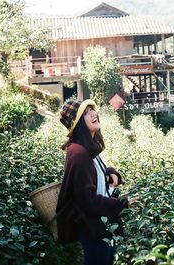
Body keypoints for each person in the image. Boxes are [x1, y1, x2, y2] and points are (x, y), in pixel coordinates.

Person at [56, 99, 138, 265]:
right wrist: (121, 203)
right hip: (92, 227)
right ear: (76, 123)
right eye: (86, 113)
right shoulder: (78, 152)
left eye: (92, 110)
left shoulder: (87, 148)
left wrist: (111, 172)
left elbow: (96, 171)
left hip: (100, 223)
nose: (94, 114)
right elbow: (87, 201)